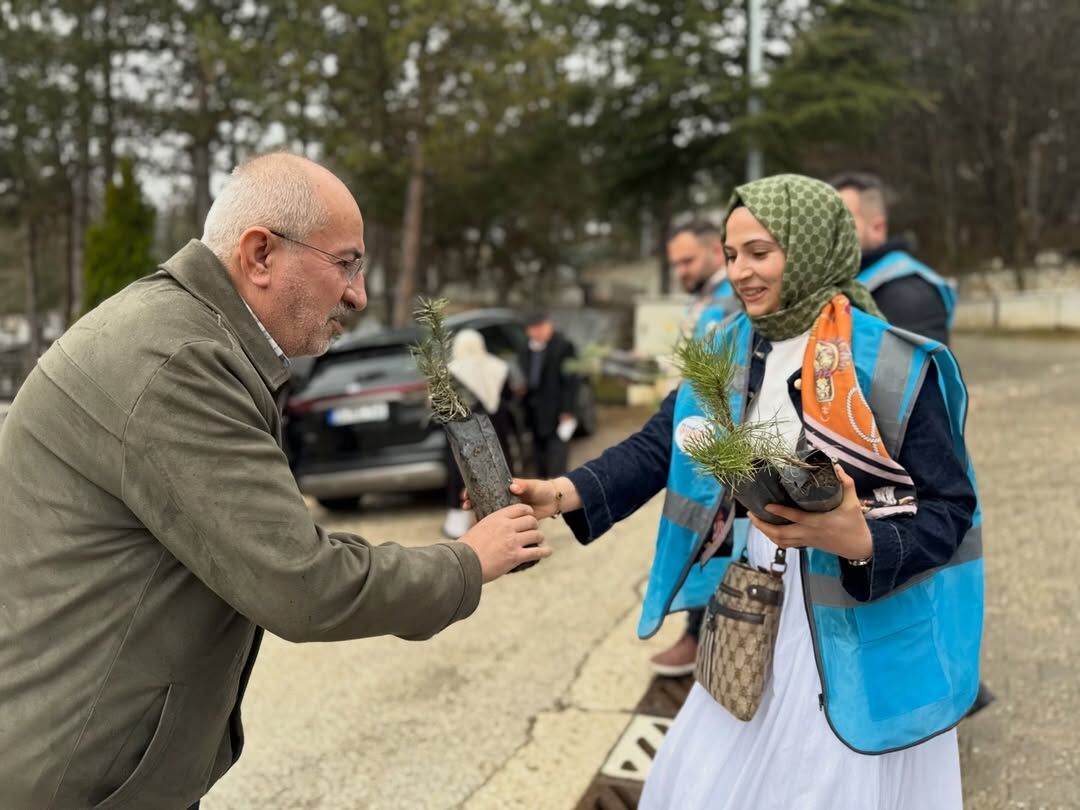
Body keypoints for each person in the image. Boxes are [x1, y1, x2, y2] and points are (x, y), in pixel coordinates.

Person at [0, 152, 550, 809]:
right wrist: (467, 562)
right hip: (78, 777)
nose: (359, 294)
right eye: (346, 263)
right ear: (259, 254)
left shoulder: (183, 335)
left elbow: (273, 546)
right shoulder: (179, 363)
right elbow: (300, 583)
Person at [505, 175, 982, 808]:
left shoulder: (891, 362)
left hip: (858, 631)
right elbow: (660, 443)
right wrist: (561, 491)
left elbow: (951, 509)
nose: (741, 273)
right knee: (705, 782)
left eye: (759, 252)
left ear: (810, 246)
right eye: (731, 256)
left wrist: (860, 537)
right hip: (756, 617)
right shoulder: (729, 346)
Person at [649, 219, 738, 677]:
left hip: (714, 444)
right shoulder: (705, 300)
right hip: (692, 433)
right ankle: (700, 634)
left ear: (713, 250)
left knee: (711, 538)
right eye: (675, 263)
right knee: (699, 536)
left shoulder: (730, 301)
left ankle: (703, 639)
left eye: (687, 260)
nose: (681, 270)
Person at [831, 171, 956, 344]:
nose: (828, 230)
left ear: (877, 228)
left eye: (840, 219)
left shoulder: (909, 295)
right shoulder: (843, 281)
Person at [442, 328, 519, 539]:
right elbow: (509, 396)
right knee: (499, 466)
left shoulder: (451, 371)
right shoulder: (499, 367)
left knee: (461, 473)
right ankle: (507, 516)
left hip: (464, 428)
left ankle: (458, 524)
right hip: (496, 425)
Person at [520, 310, 578, 478]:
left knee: (557, 454)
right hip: (533, 409)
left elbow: (571, 382)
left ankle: (558, 489)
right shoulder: (525, 348)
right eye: (534, 328)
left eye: (542, 327)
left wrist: (568, 410)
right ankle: (542, 483)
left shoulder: (564, 346)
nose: (538, 332)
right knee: (538, 453)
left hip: (556, 409)